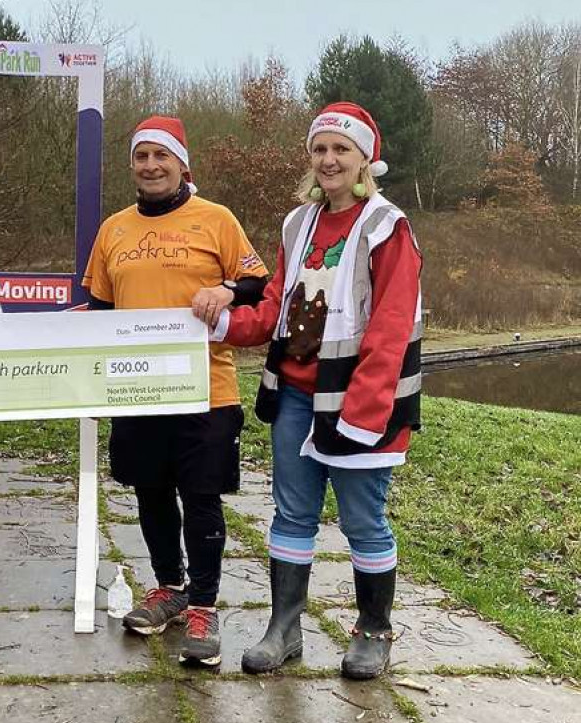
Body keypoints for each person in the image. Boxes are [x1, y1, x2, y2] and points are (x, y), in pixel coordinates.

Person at [193, 102, 422, 680]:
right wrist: (222, 320)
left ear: (364, 159)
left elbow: (392, 323)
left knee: (363, 521)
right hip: (296, 394)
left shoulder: (385, 226)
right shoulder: (299, 224)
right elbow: (276, 308)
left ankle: (373, 631)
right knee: (291, 513)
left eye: (341, 150)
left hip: (357, 401)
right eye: (320, 149)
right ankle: (284, 629)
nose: (328, 159)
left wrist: (365, 410)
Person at [83, 116, 268, 666]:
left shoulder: (216, 220)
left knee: (202, 496)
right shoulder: (113, 229)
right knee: (150, 490)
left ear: (183, 164)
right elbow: (99, 311)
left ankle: (205, 607)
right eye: (140, 157)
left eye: (161, 156)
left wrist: (227, 288)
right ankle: (169, 587)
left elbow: (259, 283)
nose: (150, 166)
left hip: (206, 387)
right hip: (138, 389)